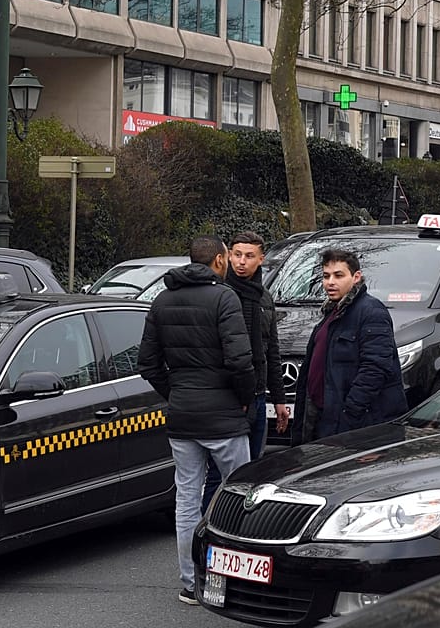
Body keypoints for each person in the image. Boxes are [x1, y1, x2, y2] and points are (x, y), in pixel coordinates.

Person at [136, 236, 256, 605]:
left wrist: (175, 393)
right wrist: (244, 399)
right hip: (224, 418)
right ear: (219, 260)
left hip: (183, 417)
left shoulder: (161, 301)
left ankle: (192, 583)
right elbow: (239, 360)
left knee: (187, 500)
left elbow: (147, 364)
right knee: (239, 498)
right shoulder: (225, 298)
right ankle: (236, 579)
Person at [202, 231, 287, 512]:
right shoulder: (221, 294)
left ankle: (242, 527)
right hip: (229, 397)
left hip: (258, 395)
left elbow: (271, 350)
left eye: (249, 256)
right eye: (236, 255)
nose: (241, 262)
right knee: (220, 473)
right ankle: (210, 523)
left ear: (261, 259)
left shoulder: (265, 298)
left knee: (252, 469)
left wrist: (279, 398)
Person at [298, 248, 408, 443]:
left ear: (356, 277)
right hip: (324, 419)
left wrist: (349, 412)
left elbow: (375, 370)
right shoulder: (332, 314)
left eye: (338, 275)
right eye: (326, 276)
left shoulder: (371, 312)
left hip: (355, 425)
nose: (330, 282)